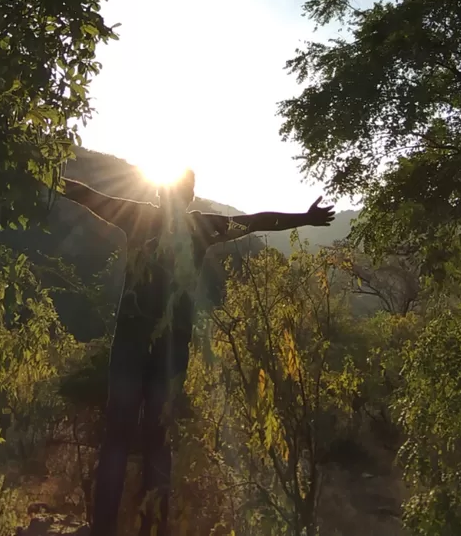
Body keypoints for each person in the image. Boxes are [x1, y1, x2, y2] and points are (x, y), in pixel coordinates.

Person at [58, 169, 336, 536]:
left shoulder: (137, 216)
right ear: (189, 198)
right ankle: (153, 528)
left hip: (131, 339)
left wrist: (42, 169)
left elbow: (85, 193)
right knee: (158, 441)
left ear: (160, 194)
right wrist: (305, 219)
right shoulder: (202, 227)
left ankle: (104, 529)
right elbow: (256, 222)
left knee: (118, 438)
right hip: (172, 347)